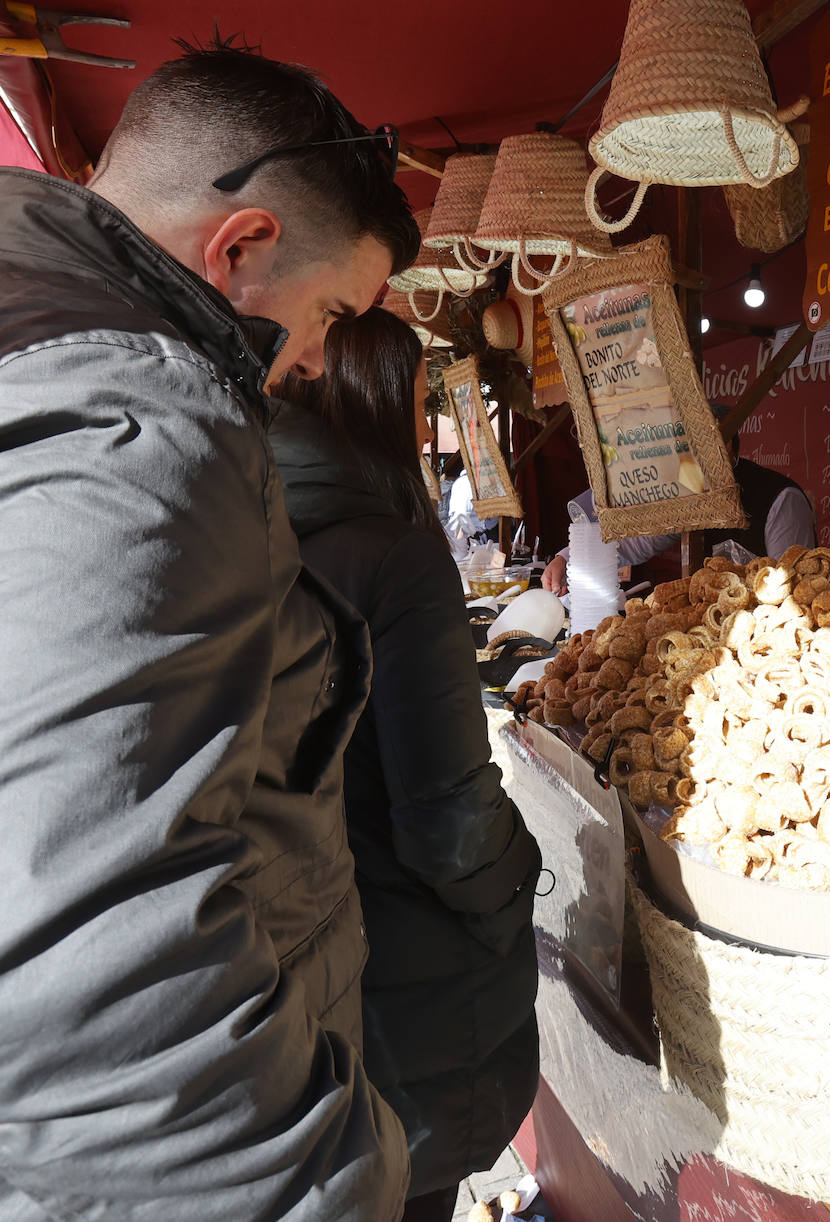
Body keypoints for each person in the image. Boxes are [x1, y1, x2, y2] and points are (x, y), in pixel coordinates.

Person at [0, 41, 419, 1219]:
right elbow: (83, 987)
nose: (322, 357)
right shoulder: (135, 432)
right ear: (240, 251)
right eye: (332, 311)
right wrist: (335, 1182)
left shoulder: (33, 339)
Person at [271, 308, 542, 1222]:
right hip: (407, 990)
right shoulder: (397, 557)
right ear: (383, 401)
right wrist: (522, 888)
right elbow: (453, 823)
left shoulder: (235, 532)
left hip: (289, 979)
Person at [542, 404, 816, 593]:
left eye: (685, 450)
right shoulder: (691, 492)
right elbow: (634, 542)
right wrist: (566, 560)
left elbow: (792, 586)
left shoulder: (781, 501)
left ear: (725, 446)